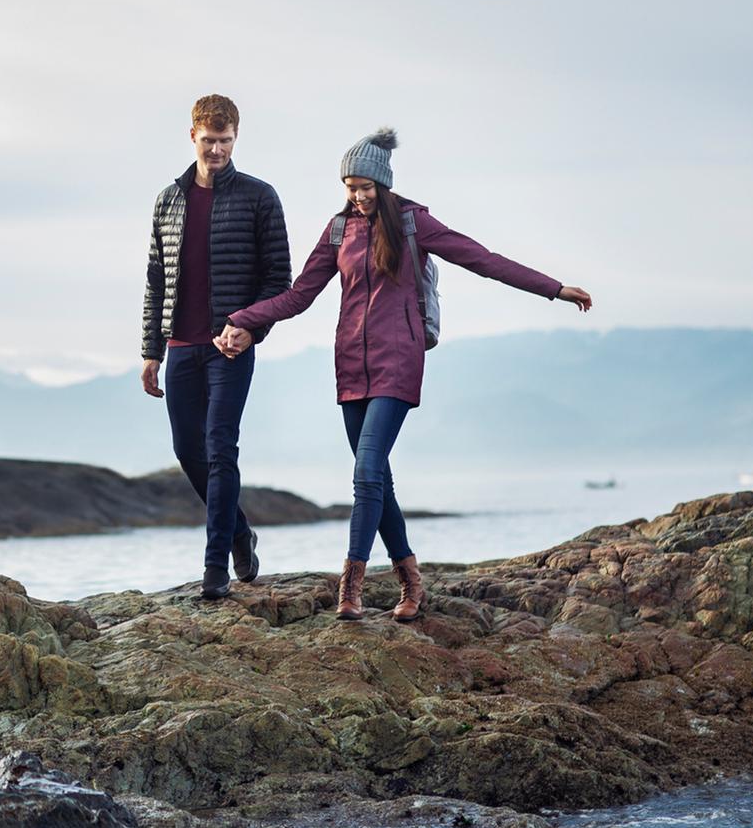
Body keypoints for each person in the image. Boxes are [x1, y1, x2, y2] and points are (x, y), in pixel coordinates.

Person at [215, 128, 591, 621]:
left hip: (399, 360)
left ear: (384, 185)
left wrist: (554, 288)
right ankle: (411, 582)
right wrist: (244, 318)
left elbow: (483, 259)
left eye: (365, 187)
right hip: (350, 364)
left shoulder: (414, 225)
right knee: (379, 481)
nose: (357, 195)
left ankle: (350, 587)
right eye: (349, 186)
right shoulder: (337, 231)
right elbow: (298, 296)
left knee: (366, 471)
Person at [141, 94, 292, 600]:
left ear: (236, 138)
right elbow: (155, 280)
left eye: (225, 141)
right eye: (209, 140)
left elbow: (278, 280)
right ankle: (239, 533)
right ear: (192, 137)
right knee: (189, 451)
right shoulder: (168, 199)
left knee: (220, 448)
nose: (217, 150)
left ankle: (215, 571)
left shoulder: (259, 197)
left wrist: (250, 328)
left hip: (230, 346)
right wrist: (150, 351)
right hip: (180, 345)